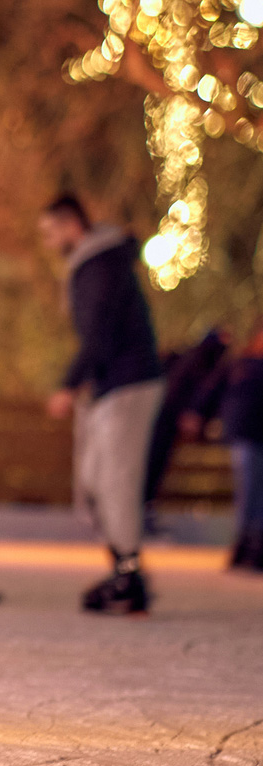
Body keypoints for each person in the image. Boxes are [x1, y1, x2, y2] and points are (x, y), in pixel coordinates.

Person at [37, 194, 165, 614]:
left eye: (51, 231)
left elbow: (100, 333)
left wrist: (69, 385)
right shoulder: (92, 264)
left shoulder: (99, 265)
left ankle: (129, 575)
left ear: (72, 224)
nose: (48, 241)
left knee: (116, 480)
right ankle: (122, 566)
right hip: (109, 386)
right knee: (92, 481)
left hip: (128, 384)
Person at [189, 325, 263, 571]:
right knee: (249, 491)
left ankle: (255, 548)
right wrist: (197, 412)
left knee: (258, 494)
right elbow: (212, 389)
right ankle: (245, 547)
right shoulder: (240, 363)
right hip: (245, 435)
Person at [143, 328, 227, 527]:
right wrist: (188, 412)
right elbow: (179, 389)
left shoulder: (197, 359)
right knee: (153, 463)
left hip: (163, 418)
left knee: (154, 464)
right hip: (164, 419)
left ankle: (145, 509)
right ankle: (143, 510)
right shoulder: (197, 360)